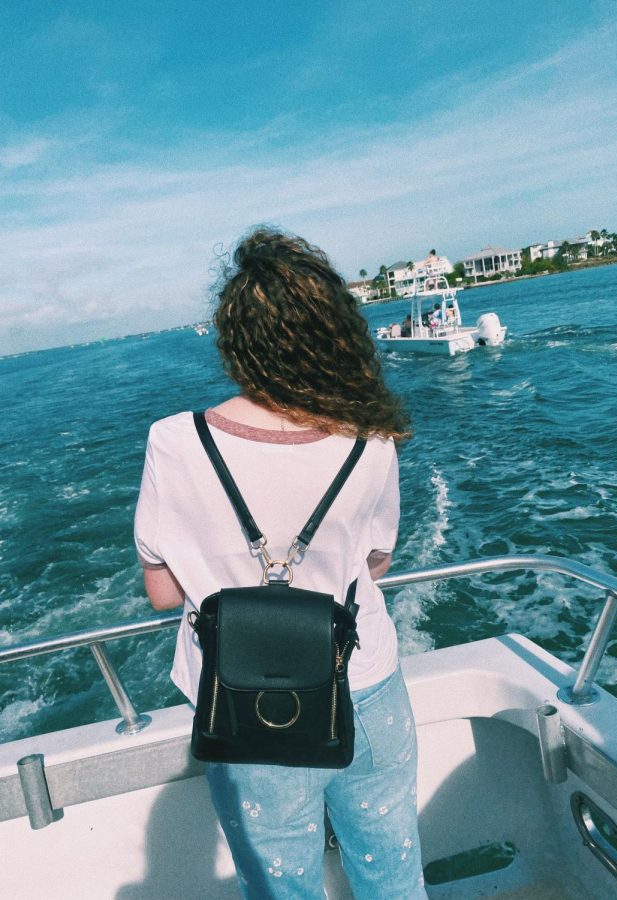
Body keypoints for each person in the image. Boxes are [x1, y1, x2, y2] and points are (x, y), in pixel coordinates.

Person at [134, 228, 426, 899]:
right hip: (365, 682)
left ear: (236, 342)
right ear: (334, 333)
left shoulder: (175, 442)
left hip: (243, 704)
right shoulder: (371, 439)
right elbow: (374, 561)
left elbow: (159, 591)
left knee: (281, 885)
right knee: (392, 871)